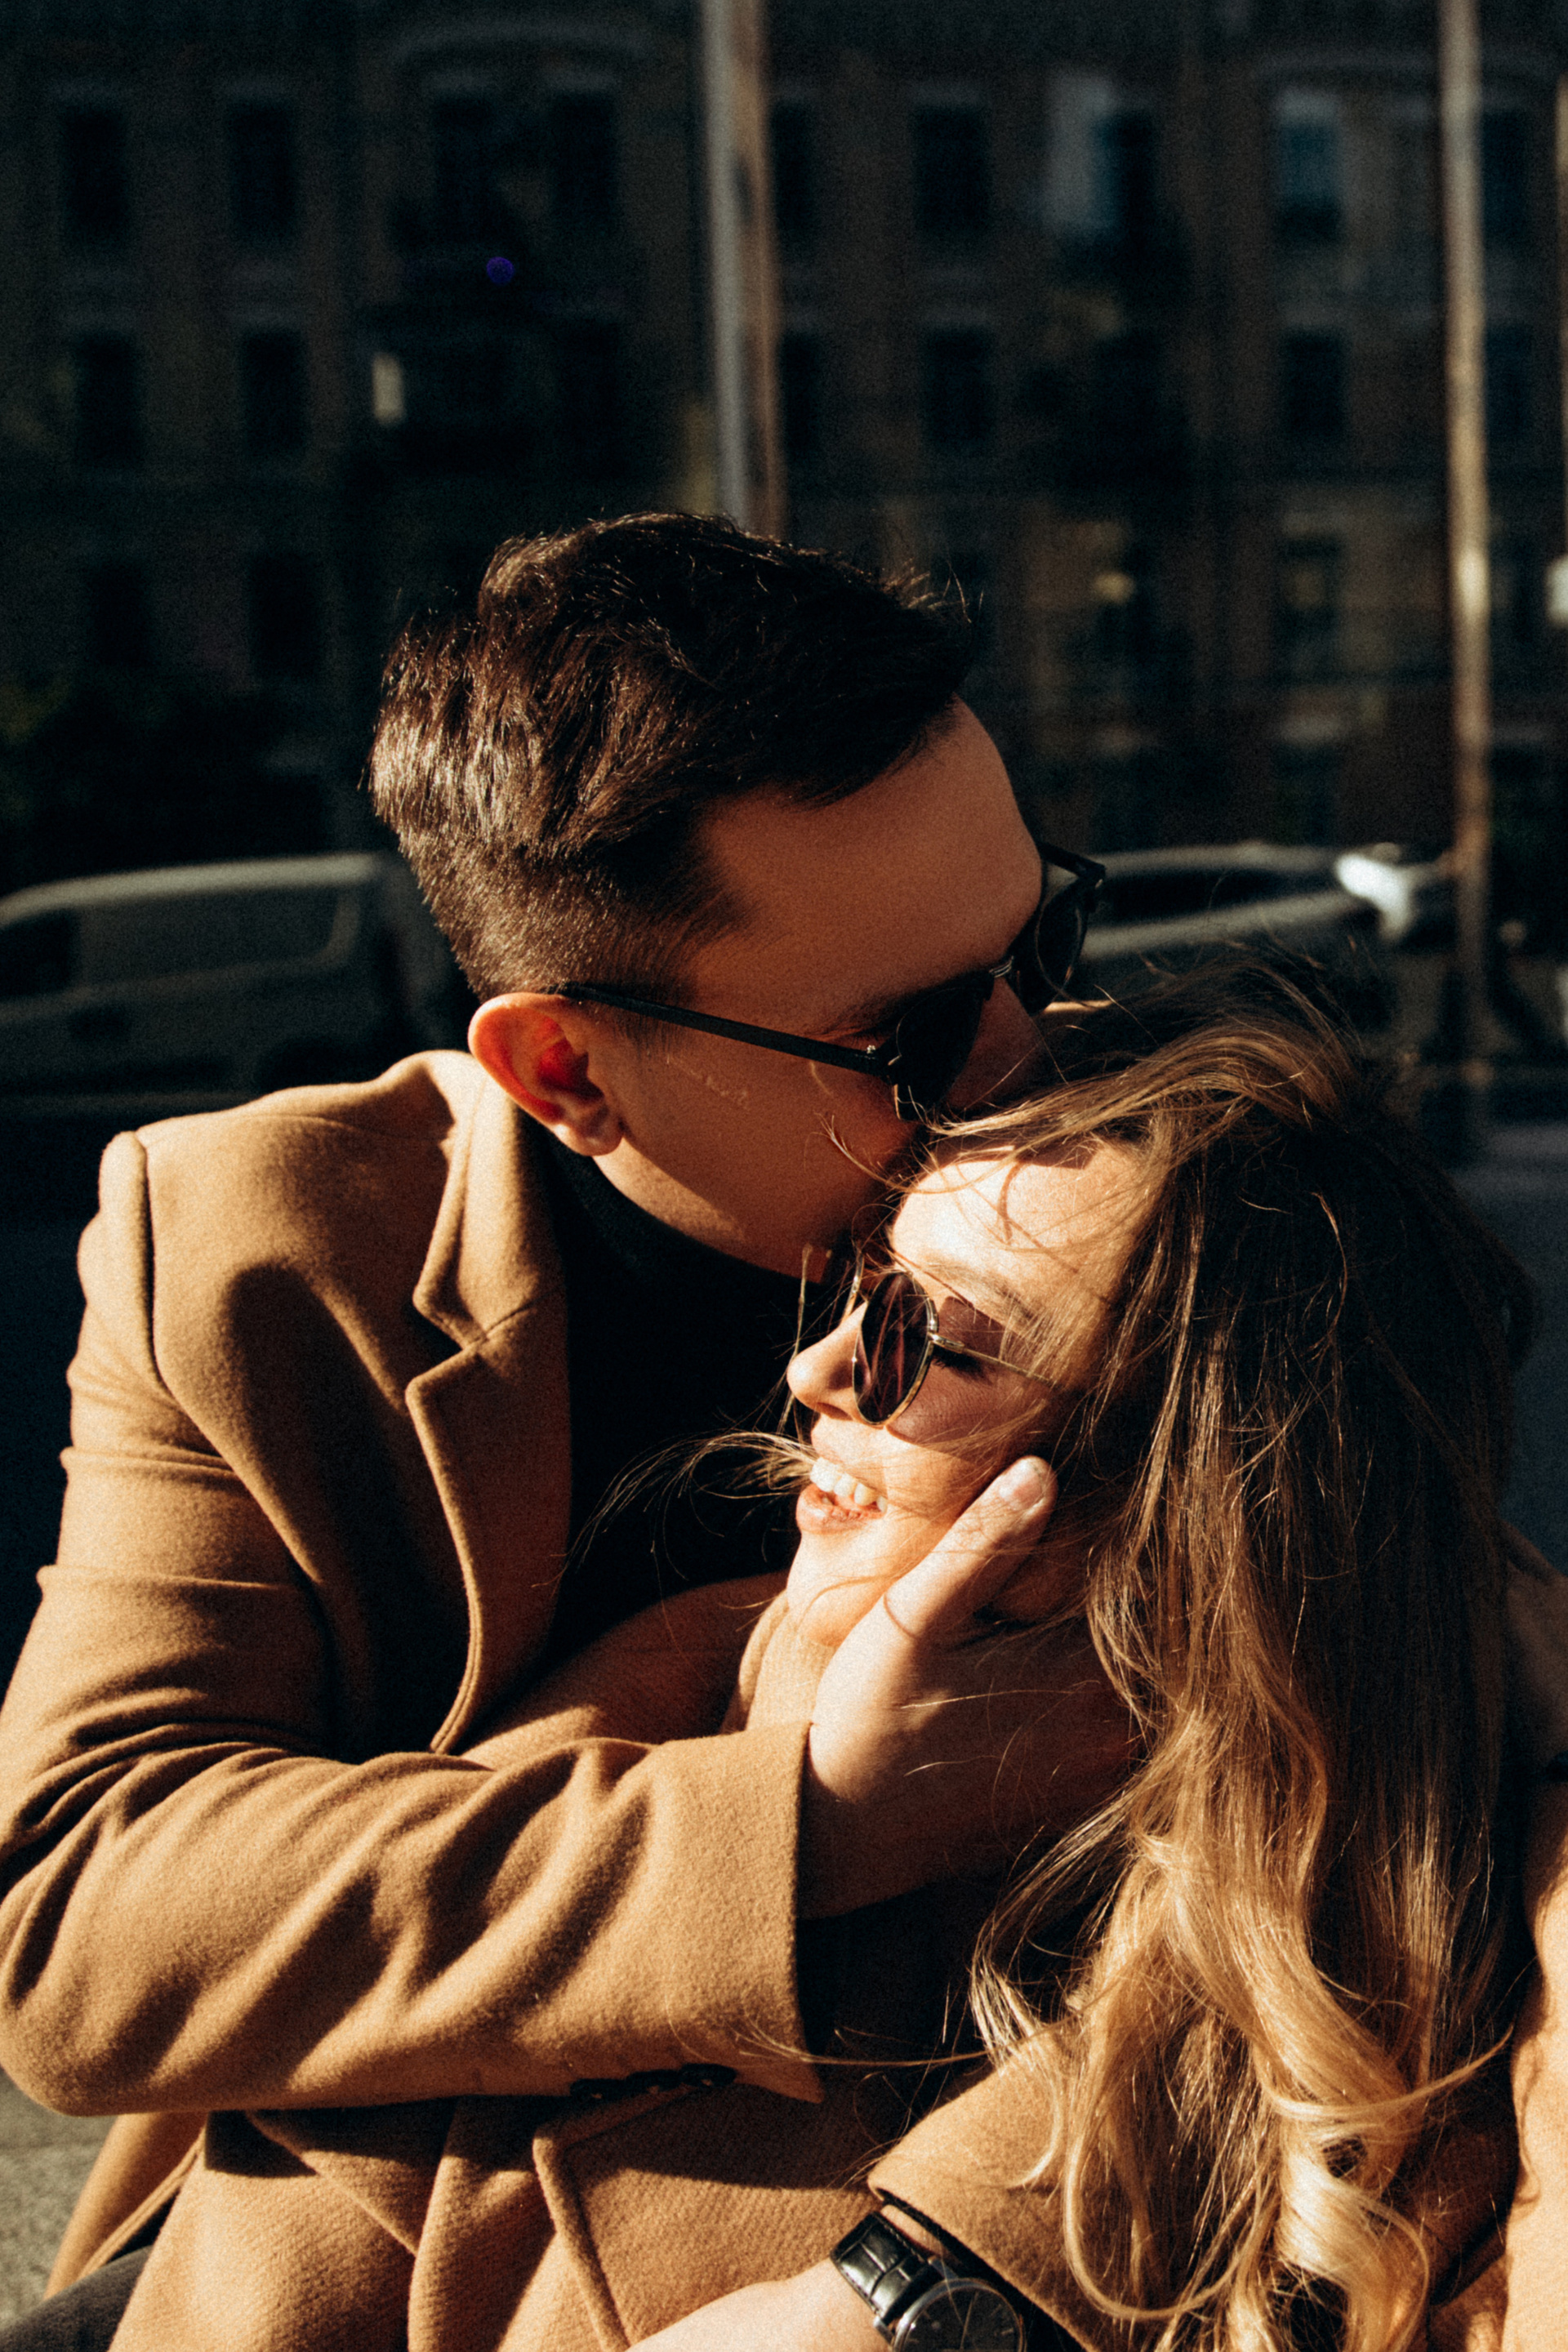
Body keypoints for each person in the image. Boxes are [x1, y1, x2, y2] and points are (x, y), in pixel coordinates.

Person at [0, 514, 1127, 2346]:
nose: (1034, 1056)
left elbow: (1452, 1751)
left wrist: (944, 2268)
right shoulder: (267, 1248)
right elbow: (87, 1920)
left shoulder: (1141, 1163)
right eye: (917, 1033)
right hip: (370, 2221)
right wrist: (809, 1823)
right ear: (565, 1070)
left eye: (1049, 936)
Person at [90, 970, 1568, 2352]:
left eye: (935, 1340)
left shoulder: (1412, 1895)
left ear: (1185, 1501)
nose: (816, 1369)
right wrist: (815, 1820)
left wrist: (923, 2289)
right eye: (865, 1283)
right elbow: (190, 2090)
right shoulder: (671, 1691)